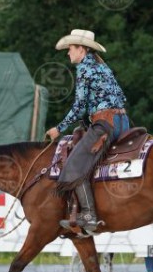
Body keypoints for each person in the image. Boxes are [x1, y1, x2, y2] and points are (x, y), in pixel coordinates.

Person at [46, 29, 129, 231]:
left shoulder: (84, 69)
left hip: (105, 124)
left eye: (71, 48)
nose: (68, 53)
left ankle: (89, 214)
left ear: (81, 50)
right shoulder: (103, 66)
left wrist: (59, 128)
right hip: (123, 122)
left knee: (74, 164)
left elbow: (79, 107)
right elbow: (121, 96)